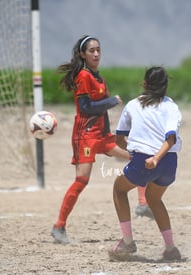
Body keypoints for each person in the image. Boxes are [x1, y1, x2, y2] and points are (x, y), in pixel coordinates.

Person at [50, 35, 149, 244]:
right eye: (92, 50)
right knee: (82, 180)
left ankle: (142, 203)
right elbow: (85, 108)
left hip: (101, 135)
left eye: (98, 50)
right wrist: (111, 101)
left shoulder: (99, 78)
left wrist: (111, 136)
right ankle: (59, 226)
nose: (96, 54)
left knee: (138, 157)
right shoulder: (83, 76)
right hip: (85, 136)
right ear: (83, 54)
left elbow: (100, 111)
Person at [108, 66, 183, 261]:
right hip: (170, 162)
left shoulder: (133, 105)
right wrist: (158, 158)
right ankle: (170, 248)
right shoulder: (171, 106)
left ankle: (127, 241)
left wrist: (144, 156)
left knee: (119, 188)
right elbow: (170, 138)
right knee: (154, 198)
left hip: (147, 160)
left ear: (144, 84)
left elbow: (119, 139)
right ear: (165, 86)